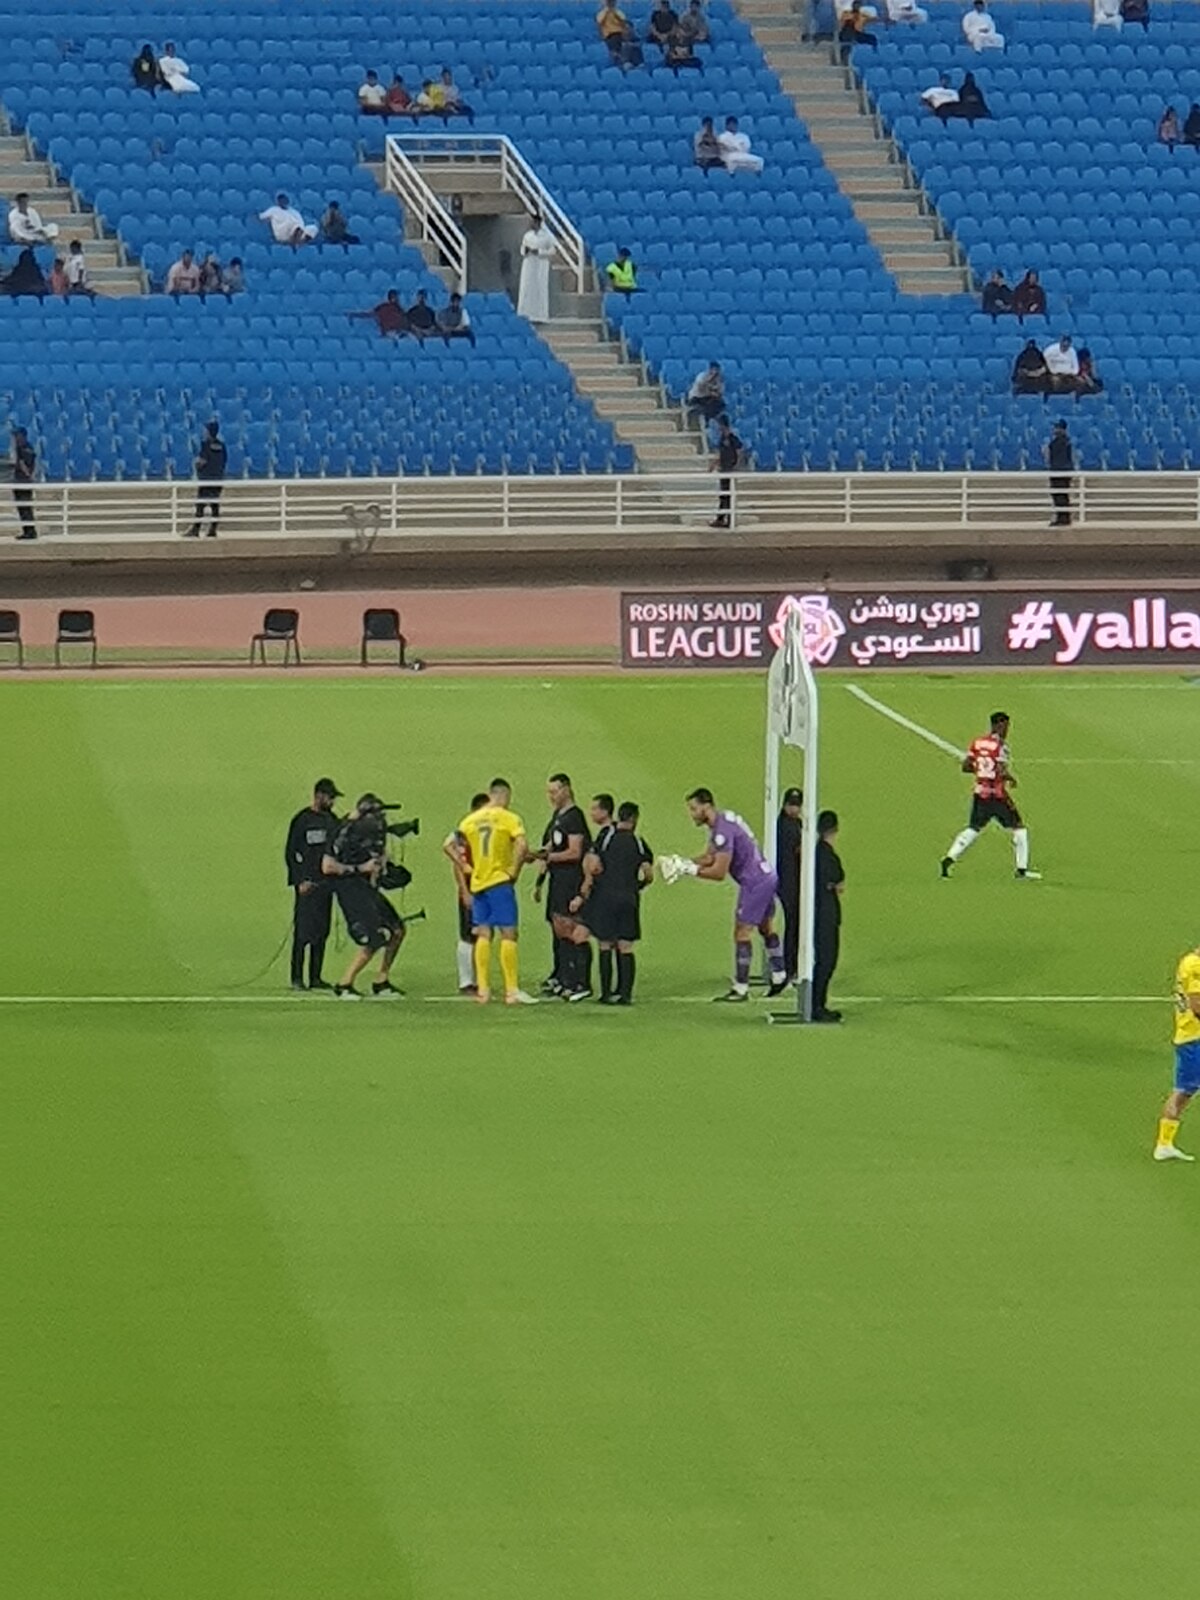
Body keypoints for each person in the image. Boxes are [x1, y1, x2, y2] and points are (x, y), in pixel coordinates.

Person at [659, 789, 788, 1002]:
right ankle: (779, 974)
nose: (691, 814)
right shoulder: (724, 820)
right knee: (766, 927)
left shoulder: (721, 832)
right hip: (766, 876)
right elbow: (710, 856)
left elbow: (718, 872)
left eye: (693, 809)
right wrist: (685, 862)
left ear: (706, 806)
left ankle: (741, 988)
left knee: (742, 932)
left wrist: (690, 871)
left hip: (754, 882)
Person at [454, 778, 538, 1006]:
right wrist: (514, 870)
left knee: (483, 934)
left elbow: (449, 845)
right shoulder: (508, 818)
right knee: (509, 934)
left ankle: (483, 990)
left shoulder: (470, 820)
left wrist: (464, 866)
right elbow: (522, 845)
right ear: (504, 796)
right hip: (499, 882)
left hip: (478, 883)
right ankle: (511, 991)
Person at [322, 795, 407, 1000]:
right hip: (350, 889)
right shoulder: (344, 832)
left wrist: (383, 866)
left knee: (397, 930)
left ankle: (381, 981)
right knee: (374, 938)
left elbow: (378, 856)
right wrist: (361, 868)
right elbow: (327, 866)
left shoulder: (372, 832)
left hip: (368, 889)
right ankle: (344, 984)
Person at [940, 711, 1040, 880]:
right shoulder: (1001, 746)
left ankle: (950, 857)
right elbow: (1000, 770)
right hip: (997, 795)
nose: (1007, 730)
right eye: (1005, 726)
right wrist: (1010, 778)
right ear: (997, 725)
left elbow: (965, 767)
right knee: (1019, 828)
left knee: (973, 828)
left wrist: (980, 771)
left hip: (980, 794)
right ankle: (1021, 870)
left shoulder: (977, 743)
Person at [572, 801, 654, 1005]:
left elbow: (592, 863)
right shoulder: (638, 841)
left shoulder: (607, 837)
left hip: (605, 898)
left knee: (605, 944)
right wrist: (638, 885)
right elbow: (648, 873)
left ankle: (606, 993)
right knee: (626, 946)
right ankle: (625, 994)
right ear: (634, 819)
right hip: (629, 899)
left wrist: (588, 886)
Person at [533, 773, 592, 1001]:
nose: (551, 796)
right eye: (549, 792)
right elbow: (550, 846)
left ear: (567, 790)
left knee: (570, 929)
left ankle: (577, 980)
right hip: (557, 881)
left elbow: (575, 852)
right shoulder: (558, 816)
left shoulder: (574, 817)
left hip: (570, 881)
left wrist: (548, 858)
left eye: (555, 791)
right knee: (557, 928)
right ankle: (561, 975)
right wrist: (539, 873)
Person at [284, 778, 342, 991]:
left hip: (326, 884)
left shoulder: (332, 821)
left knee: (322, 931)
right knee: (302, 933)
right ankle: (297, 977)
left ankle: (315, 976)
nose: (333, 801)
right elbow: (291, 854)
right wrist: (298, 881)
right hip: (306, 886)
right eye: (330, 797)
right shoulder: (302, 820)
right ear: (318, 795)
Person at [1155, 946, 1200, 1161]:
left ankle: (1165, 1143)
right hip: (1194, 1038)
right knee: (1183, 1090)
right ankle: (1163, 1144)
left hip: (1191, 1036)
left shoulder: (1190, 961)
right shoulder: (1195, 966)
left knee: (1185, 1091)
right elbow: (1197, 1006)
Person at [444, 791, 489, 994]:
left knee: (485, 933)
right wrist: (464, 891)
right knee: (468, 934)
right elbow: (458, 863)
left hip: (489, 888)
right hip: (473, 889)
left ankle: (480, 979)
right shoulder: (464, 833)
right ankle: (466, 981)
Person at [811, 810, 844, 1023]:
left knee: (823, 960)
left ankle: (816, 1004)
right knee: (826, 960)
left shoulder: (816, 852)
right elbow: (837, 882)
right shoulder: (827, 855)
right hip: (826, 914)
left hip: (819, 911)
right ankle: (817, 1006)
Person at [775, 786, 803, 984]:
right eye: (791, 805)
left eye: (796, 805)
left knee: (794, 924)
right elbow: (800, 851)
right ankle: (790, 966)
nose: (794, 809)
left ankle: (790, 965)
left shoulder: (791, 823)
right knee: (793, 924)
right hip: (788, 882)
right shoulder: (788, 827)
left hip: (792, 881)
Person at [184, 419, 226, 538]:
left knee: (200, 505)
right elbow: (224, 461)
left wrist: (196, 464)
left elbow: (202, 461)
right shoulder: (221, 446)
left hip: (206, 479)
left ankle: (196, 529)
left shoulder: (206, 445)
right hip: (218, 479)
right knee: (214, 505)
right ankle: (212, 530)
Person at [517, 212, 555, 323]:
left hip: (541, 264)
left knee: (540, 288)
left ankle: (540, 315)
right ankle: (525, 313)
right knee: (526, 287)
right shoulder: (527, 235)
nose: (531, 224)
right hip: (529, 263)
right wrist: (526, 251)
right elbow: (522, 249)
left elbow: (552, 251)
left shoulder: (547, 236)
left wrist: (539, 251)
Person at [709, 413, 743, 529]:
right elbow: (720, 455)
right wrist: (714, 465)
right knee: (723, 495)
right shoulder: (722, 439)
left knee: (728, 496)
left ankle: (727, 519)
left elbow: (739, 453)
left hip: (730, 470)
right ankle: (722, 518)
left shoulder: (733, 439)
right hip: (723, 470)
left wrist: (735, 467)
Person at [1046, 418, 1074, 527]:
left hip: (1060, 471)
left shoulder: (1061, 441)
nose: (1054, 429)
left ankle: (1063, 517)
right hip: (1061, 470)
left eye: (1057, 427)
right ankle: (1063, 517)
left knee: (1060, 495)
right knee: (1060, 495)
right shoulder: (1065, 441)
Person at [11, 426, 36, 540]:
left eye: (17, 435)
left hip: (23, 481)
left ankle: (30, 531)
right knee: (22, 507)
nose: (15, 438)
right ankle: (27, 530)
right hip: (19, 480)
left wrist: (28, 475)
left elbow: (25, 465)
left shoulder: (25, 448)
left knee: (25, 507)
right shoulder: (21, 447)